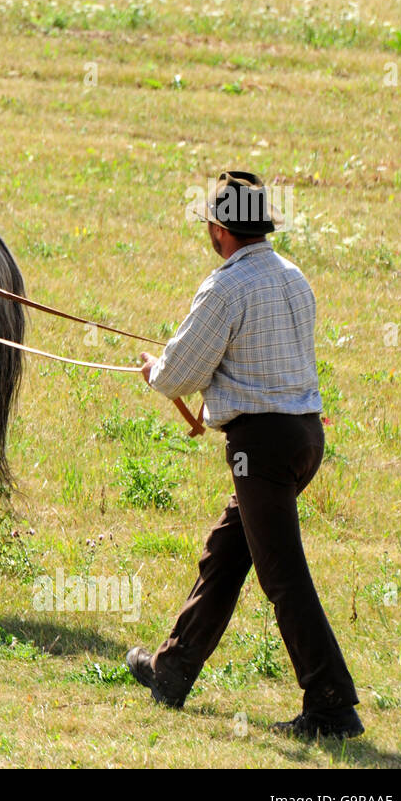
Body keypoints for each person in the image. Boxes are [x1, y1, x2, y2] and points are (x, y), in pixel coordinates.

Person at [126, 170, 362, 740]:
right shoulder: (292, 276)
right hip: (305, 438)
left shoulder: (226, 286)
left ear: (219, 227)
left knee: (283, 577)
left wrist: (155, 371)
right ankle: (172, 671)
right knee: (227, 555)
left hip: (262, 448)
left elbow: (180, 373)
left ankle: (331, 705)